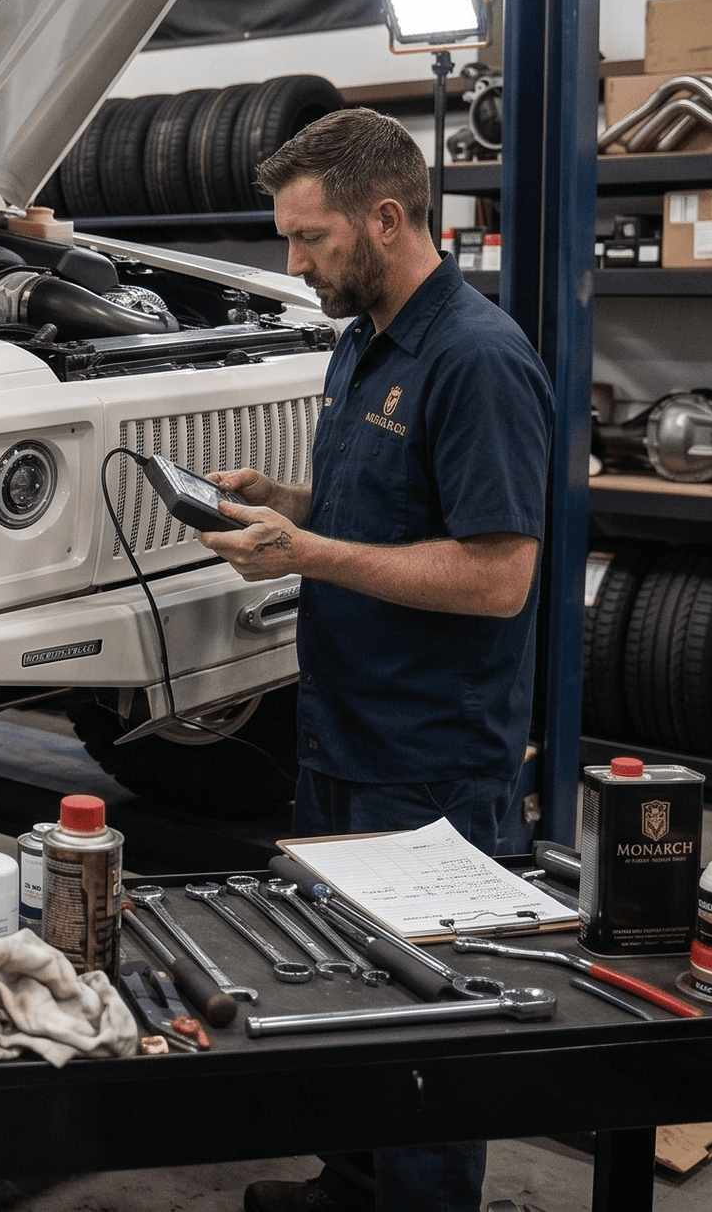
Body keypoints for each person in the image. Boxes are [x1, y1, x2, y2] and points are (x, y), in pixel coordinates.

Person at [200, 109, 553, 1212]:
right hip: (342, 741)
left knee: (433, 1030)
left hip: (432, 765)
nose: (292, 264)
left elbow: (499, 576)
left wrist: (304, 551)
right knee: (348, 994)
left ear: (386, 219)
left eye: (309, 240)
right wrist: (288, 506)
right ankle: (350, 1186)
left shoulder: (479, 362)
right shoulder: (360, 341)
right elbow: (386, 515)